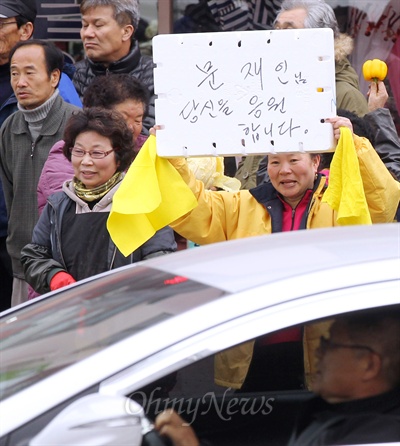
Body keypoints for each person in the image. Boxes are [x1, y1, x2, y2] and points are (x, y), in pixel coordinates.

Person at [155, 116, 399, 392]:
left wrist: (353, 144)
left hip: (326, 351)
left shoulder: (341, 202)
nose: (284, 170)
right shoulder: (242, 204)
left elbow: (383, 201)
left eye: (294, 160)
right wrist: (172, 155)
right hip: (254, 352)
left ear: (316, 162)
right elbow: (191, 207)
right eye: (274, 162)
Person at [154, 308, 400, 446]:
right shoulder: (340, 414)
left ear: (369, 365)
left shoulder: (369, 438)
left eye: (329, 344)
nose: (317, 351)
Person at [21, 107, 176, 295]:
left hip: (127, 312)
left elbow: (160, 261)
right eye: (79, 151)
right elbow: (34, 256)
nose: (86, 161)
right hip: (71, 313)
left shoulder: (142, 203)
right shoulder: (57, 205)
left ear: (119, 157)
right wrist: (54, 276)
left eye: (96, 153)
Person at [235, 0, 369, 189]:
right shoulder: (270, 86)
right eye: (276, 29)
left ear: (318, 39)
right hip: (253, 209)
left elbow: (362, 173)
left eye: (288, 31)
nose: (276, 38)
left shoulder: (344, 94)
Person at [0, 0, 81, 311]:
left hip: (66, 264)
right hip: (22, 263)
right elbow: (10, 195)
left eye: (30, 73)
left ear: (54, 77)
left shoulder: (76, 125)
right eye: (14, 73)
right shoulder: (10, 127)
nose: (20, 82)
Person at [37, 73, 150, 215]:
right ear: (95, 115)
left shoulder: (149, 149)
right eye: (123, 118)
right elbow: (74, 208)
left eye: (138, 120)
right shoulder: (66, 153)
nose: (131, 127)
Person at [72, 0, 155, 133]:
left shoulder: (156, 74)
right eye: (85, 25)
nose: (88, 33)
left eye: (98, 25)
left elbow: (147, 135)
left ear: (126, 31)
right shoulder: (74, 74)